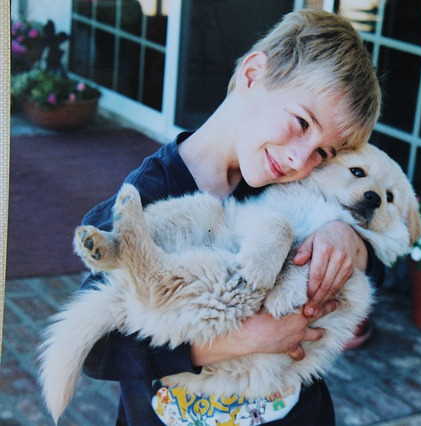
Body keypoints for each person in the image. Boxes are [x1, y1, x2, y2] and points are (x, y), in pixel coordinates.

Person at [79, 9, 382, 426]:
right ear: (254, 74)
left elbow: (377, 263)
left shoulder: (296, 186)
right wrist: (239, 340)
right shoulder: (146, 197)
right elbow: (95, 352)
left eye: (323, 152)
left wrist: (347, 239)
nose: (300, 158)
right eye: (300, 122)